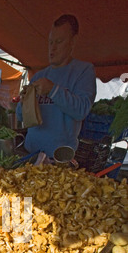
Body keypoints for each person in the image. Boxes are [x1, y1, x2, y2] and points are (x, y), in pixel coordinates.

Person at [16, 14, 96, 158]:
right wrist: (24, 102)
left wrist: (52, 90)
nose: (52, 48)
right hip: (30, 155)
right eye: (50, 42)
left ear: (73, 41)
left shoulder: (84, 71)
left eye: (59, 41)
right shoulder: (39, 76)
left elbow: (82, 110)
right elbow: (20, 116)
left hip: (59, 160)